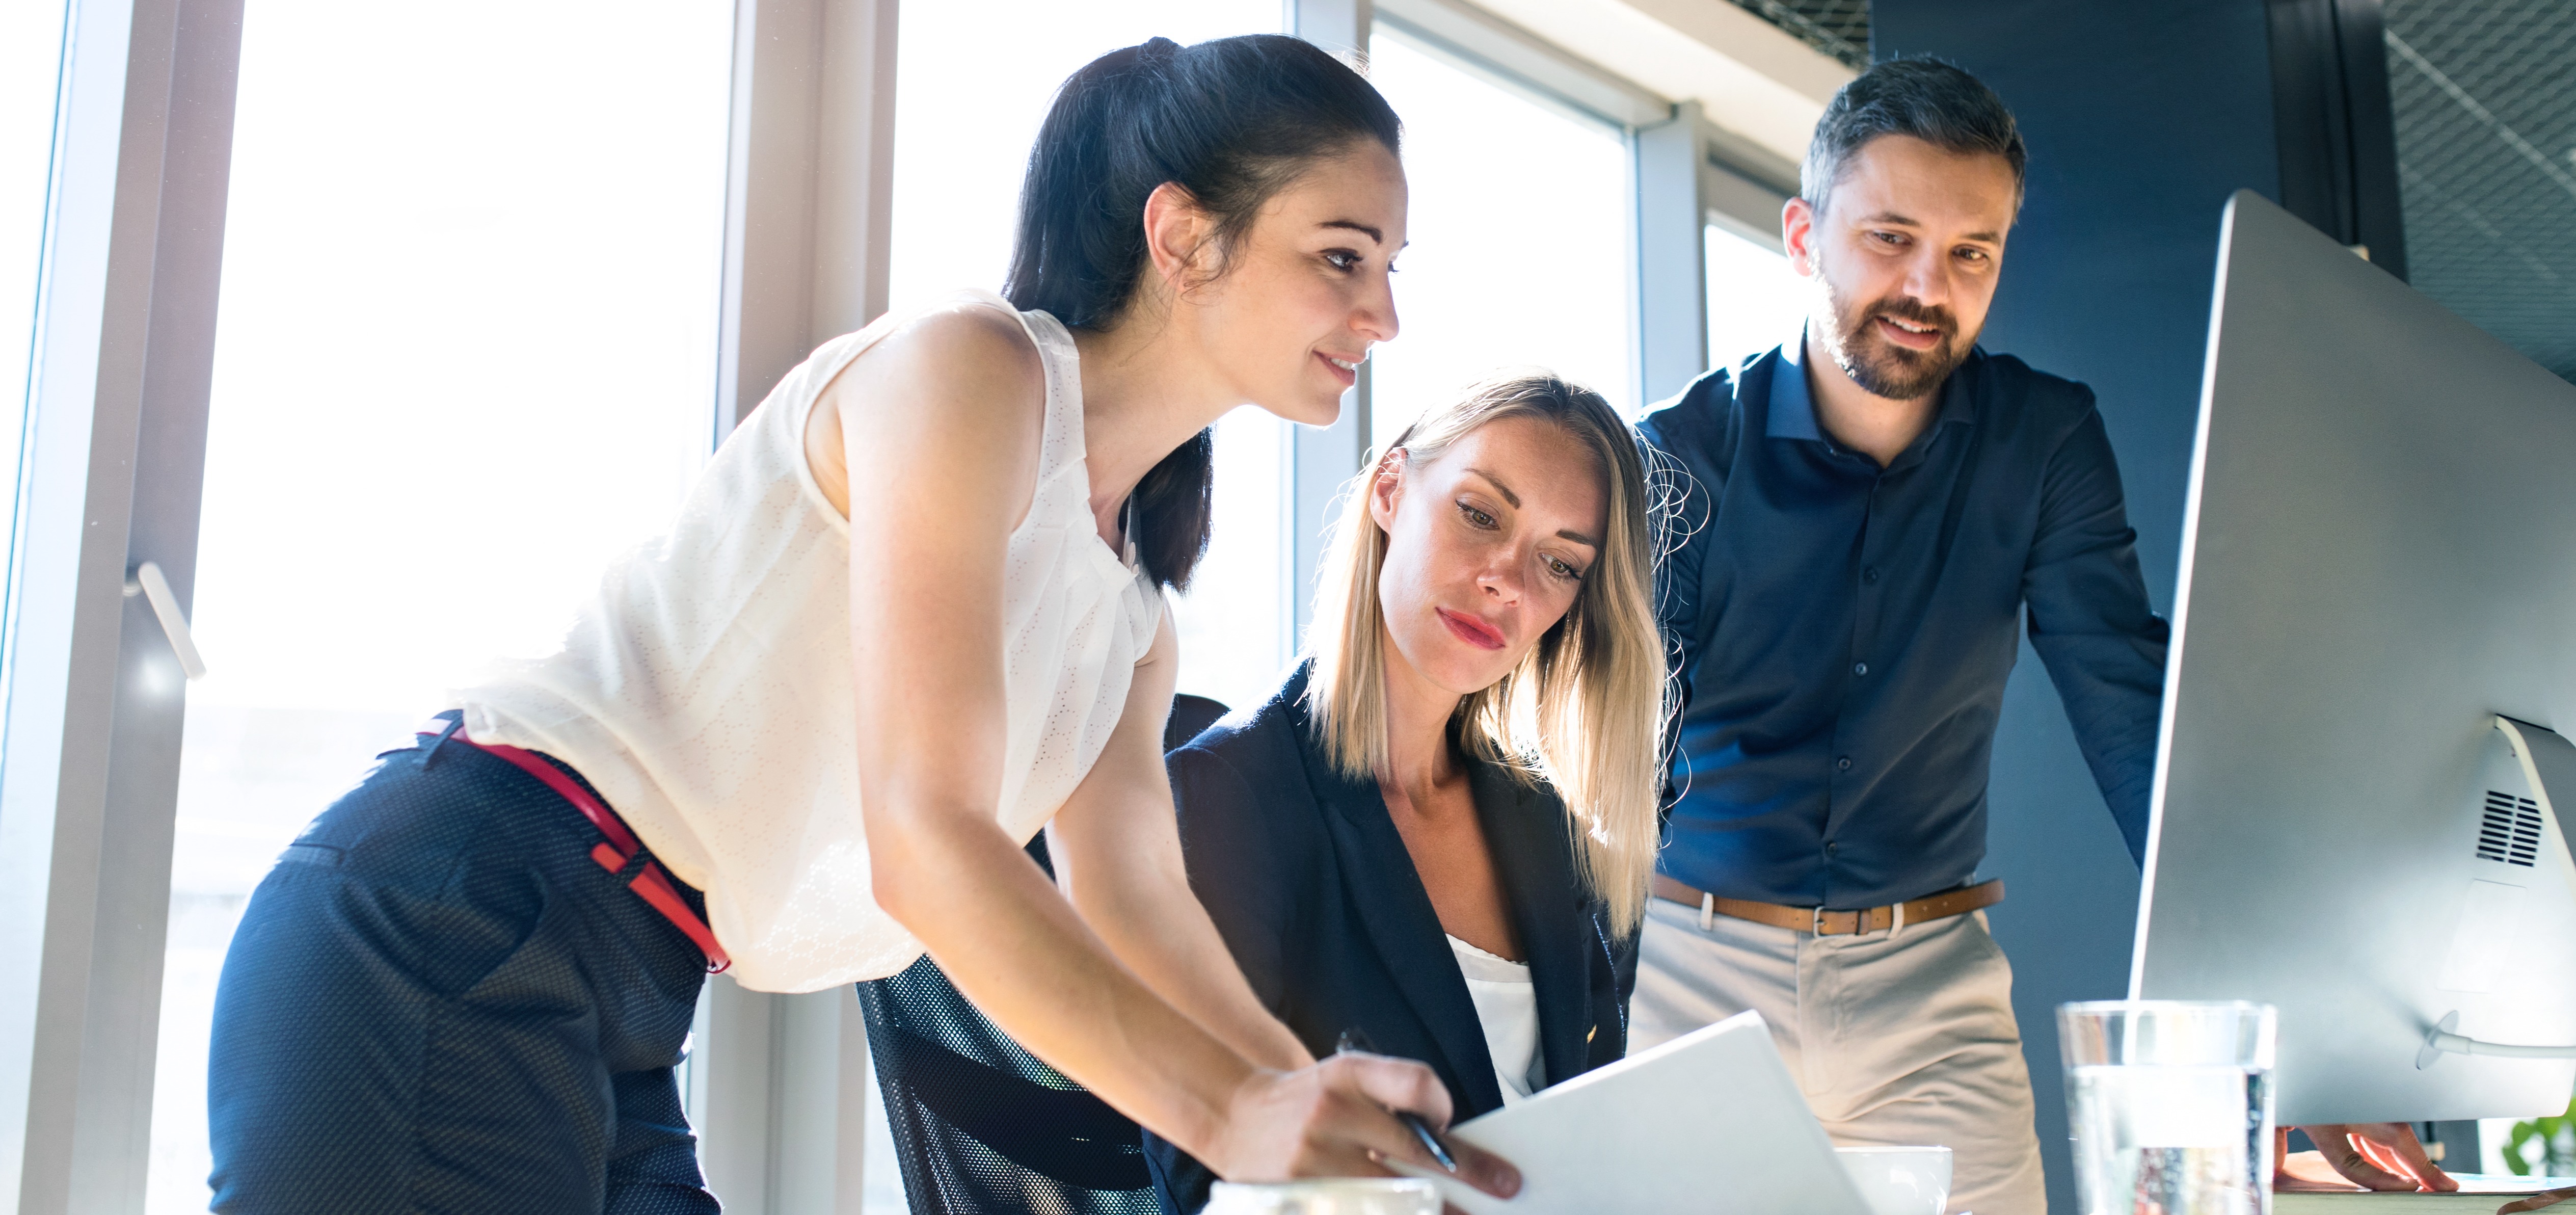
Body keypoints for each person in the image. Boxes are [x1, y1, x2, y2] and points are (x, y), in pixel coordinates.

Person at [203, 34, 1521, 1213]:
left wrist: (1320, 1122)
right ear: (1180, 236)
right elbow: (924, 838)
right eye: (1340, 257)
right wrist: (1233, 1116)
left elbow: (1138, 906)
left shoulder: (1128, 616)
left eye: (1390, 269)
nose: (1383, 317)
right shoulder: (968, 370)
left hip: (634, 986)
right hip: (458, 910)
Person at [1629, 57, 2459, 1215]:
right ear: (1804, 235)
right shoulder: (1675, 452)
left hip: (1931, 983)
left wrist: (2299, 1037)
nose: (1930, 285)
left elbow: (2135, 724)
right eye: (1891, 238)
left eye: (1972, 253)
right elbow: (1620, 762)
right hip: (1686, 971)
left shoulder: (2046, 438)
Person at [1144, 372, 1668, 1213]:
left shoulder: (1552, 830)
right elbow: (1204, 1169)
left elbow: (1591, 1132)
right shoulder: (1227, 798)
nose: (1507, 579)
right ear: (1390, 489)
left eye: (1560, 563)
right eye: (1480, 513)